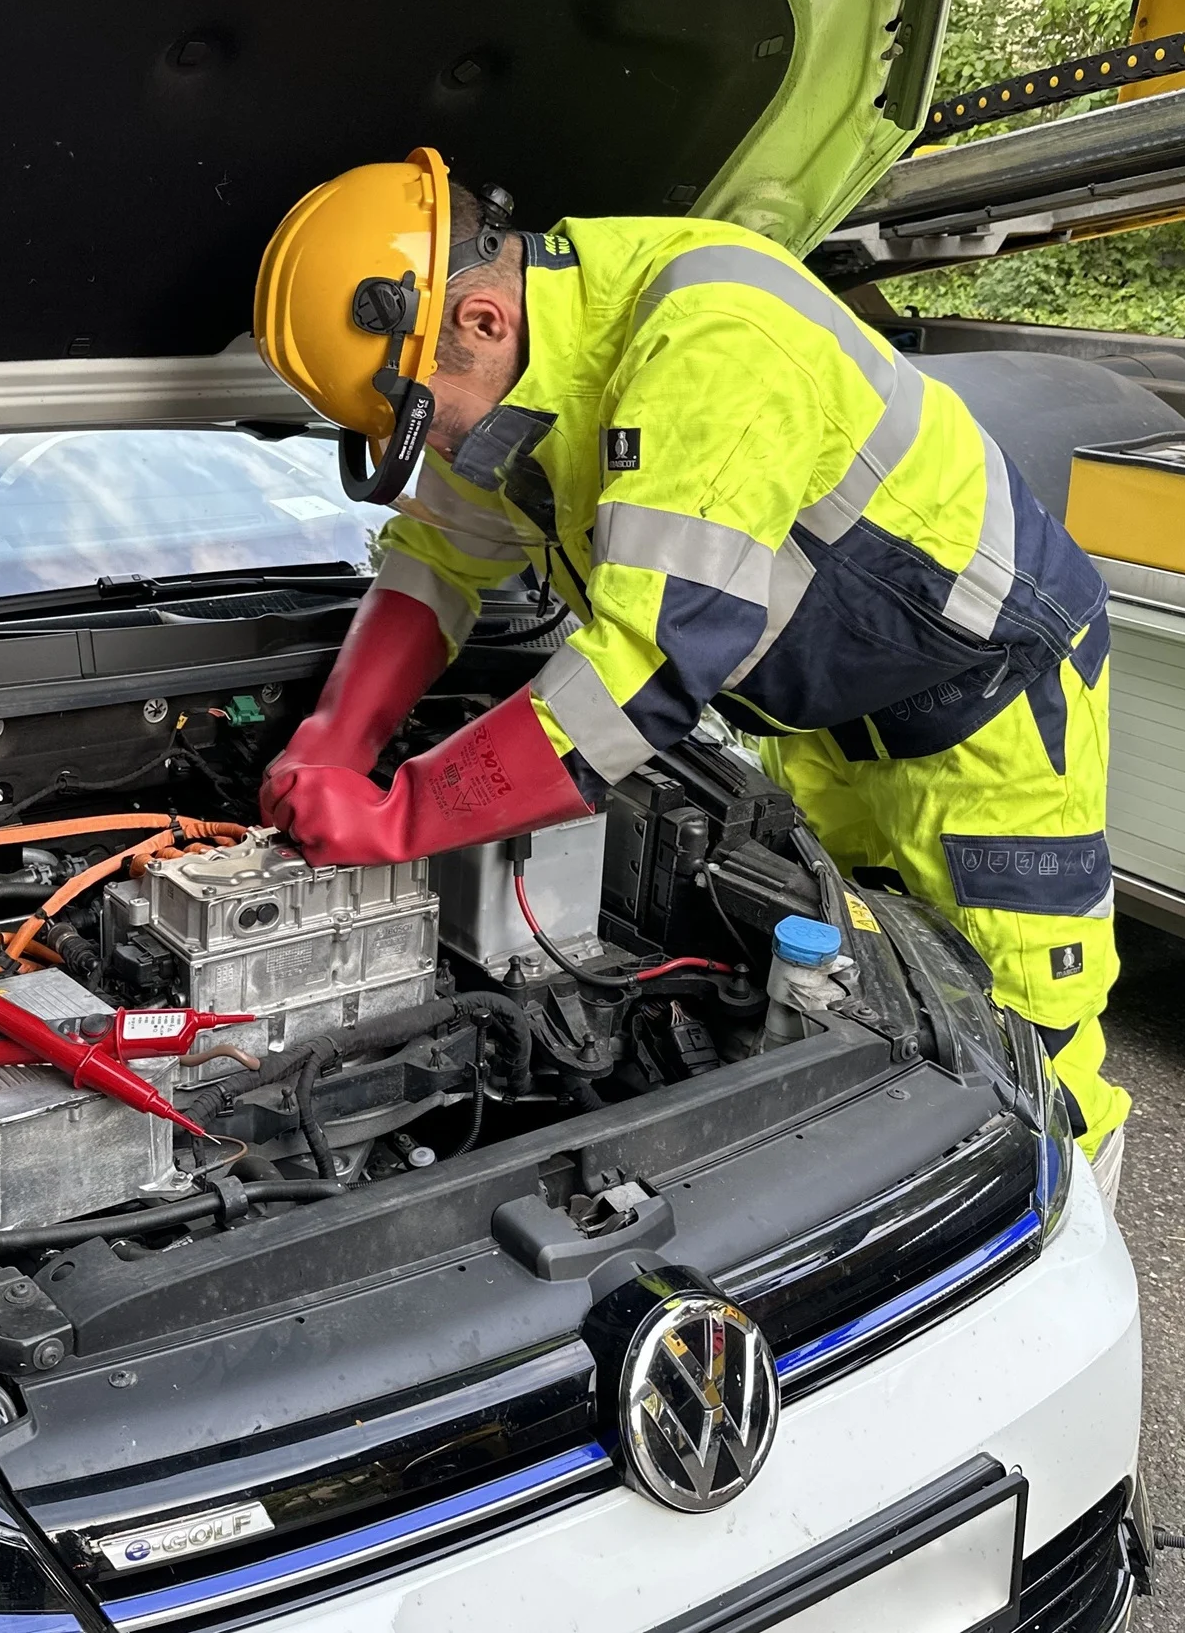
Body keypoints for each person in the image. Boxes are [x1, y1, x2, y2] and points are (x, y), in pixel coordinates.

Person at [249, 149, 1129, 1202]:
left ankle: (1059, 1236)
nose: (434, 444)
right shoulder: (522, 374)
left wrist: (398, 817)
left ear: (480, 321)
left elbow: (647, 667)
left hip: (987, 707)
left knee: (1021, 1036)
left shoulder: (715, 340)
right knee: (847, 986)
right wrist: (331, 740)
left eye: (422, 416)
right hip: (819, 715)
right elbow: (439, 557)